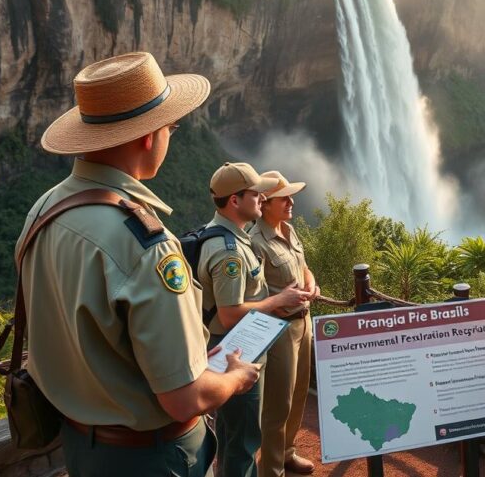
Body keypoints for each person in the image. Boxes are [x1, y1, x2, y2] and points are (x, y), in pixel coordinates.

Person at [16, 51, 262, 477]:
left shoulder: (43, 210)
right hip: (152, 459)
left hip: (81, 448)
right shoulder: (146, 245)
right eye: (170, 128)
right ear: (149, 136)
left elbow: (99, 338)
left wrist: (188, 356)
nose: (170, 137)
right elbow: (185, 399)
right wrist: (235, 378)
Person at [199, 162, 312, 477]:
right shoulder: (231, 251)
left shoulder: (236, 239)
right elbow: (229, 314)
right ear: (235, 200)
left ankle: (276, 458)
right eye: (256, 194)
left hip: (248, 340)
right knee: (245, 435)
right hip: (238, 348)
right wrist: (278, 300)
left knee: (235, 431)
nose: (261, 199)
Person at [249, 171, 321, 477]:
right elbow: (253, 296)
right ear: (265, 203)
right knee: (278, 403)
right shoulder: (256, 242)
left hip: (303, 323)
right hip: (279, 329)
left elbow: (304, 268)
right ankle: (272, 468)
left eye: (291, 196)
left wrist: (312, 285)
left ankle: (288, 452)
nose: (291, 202)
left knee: (299, 393)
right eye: (284, 198)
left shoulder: (289, 230)